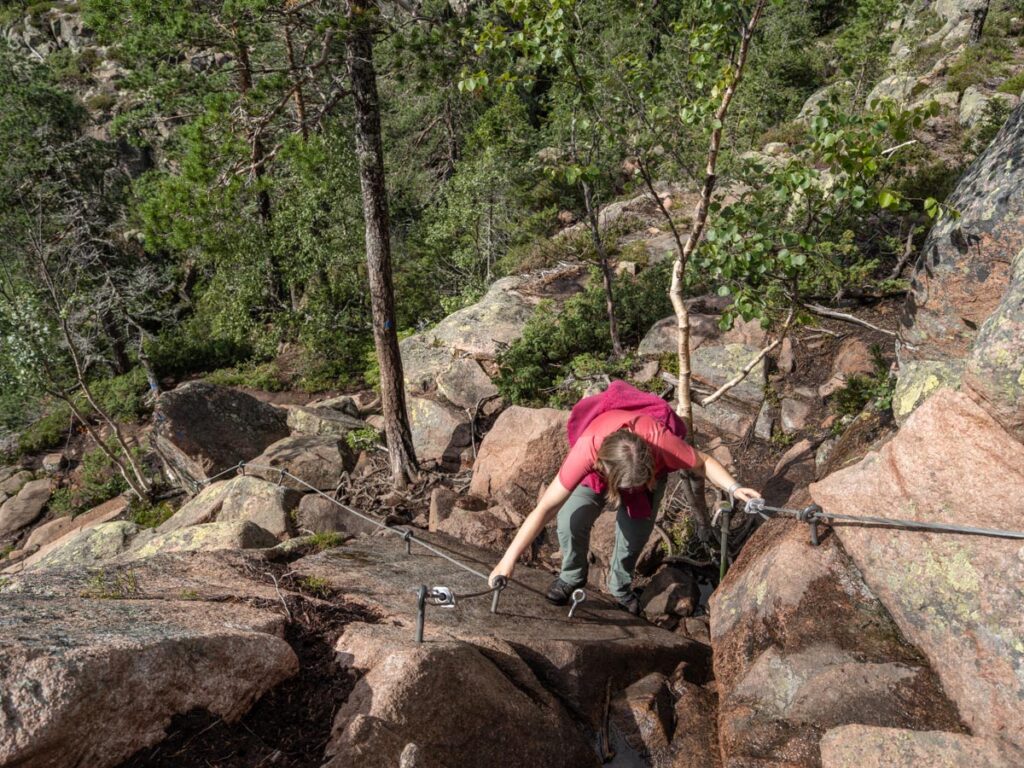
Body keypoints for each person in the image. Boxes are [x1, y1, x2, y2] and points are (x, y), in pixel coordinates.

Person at [488, 380, 759, 614]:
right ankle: (571, 576)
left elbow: (702, 462)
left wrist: (734, 488)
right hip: (603, 471)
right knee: (570, 520)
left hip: (646, 480)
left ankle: (619, 587)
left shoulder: (658, 439)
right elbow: (546, 506)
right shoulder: (588, 449)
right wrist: (507, 561)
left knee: (634, 536)